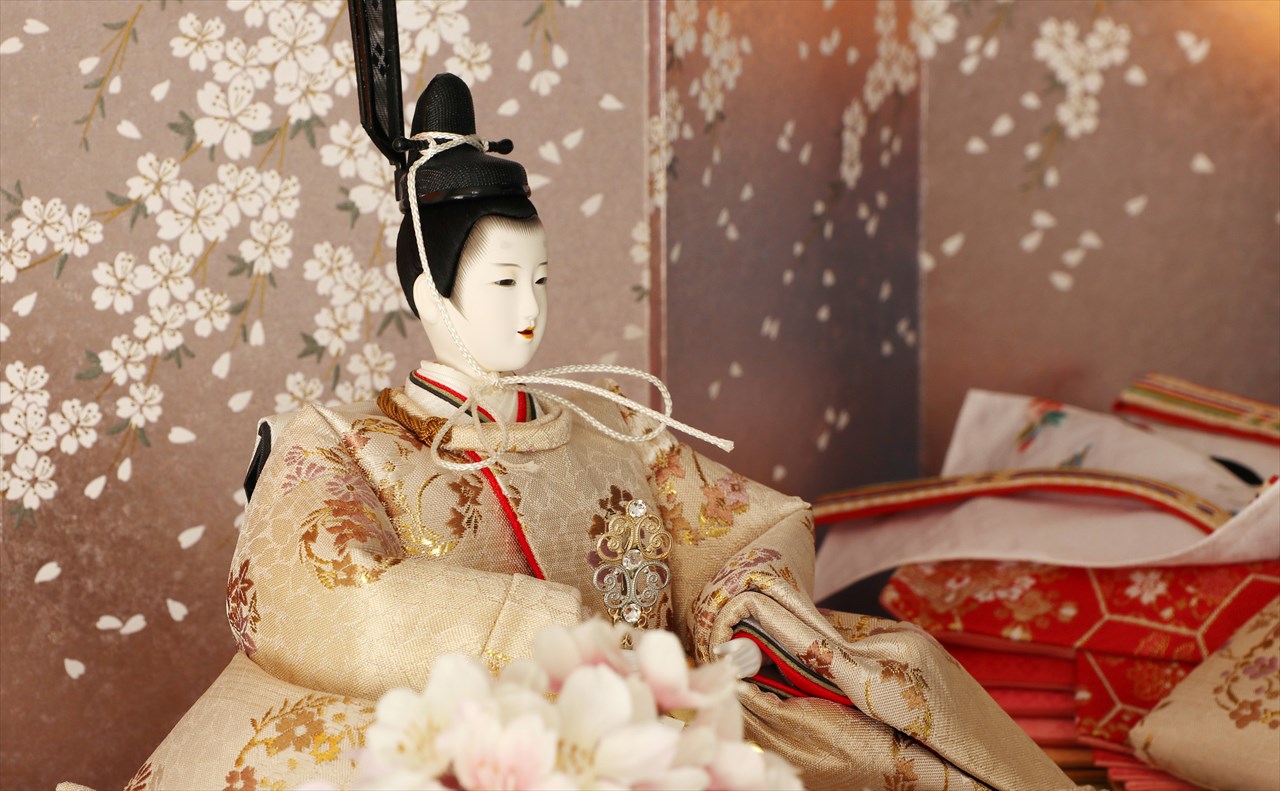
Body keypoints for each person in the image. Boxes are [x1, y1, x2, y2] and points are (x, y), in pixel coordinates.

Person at [126, 74, 1075, 791]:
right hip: (466, 734)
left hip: (650, 722)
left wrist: (737, 614)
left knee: (898, 683)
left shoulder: (610, 426)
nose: (530, 310)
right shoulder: (348, 438)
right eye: (503, 282)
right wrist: (535, 632)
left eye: (540, 280)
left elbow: (741, 526)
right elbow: (318, 592)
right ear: (428, 291)